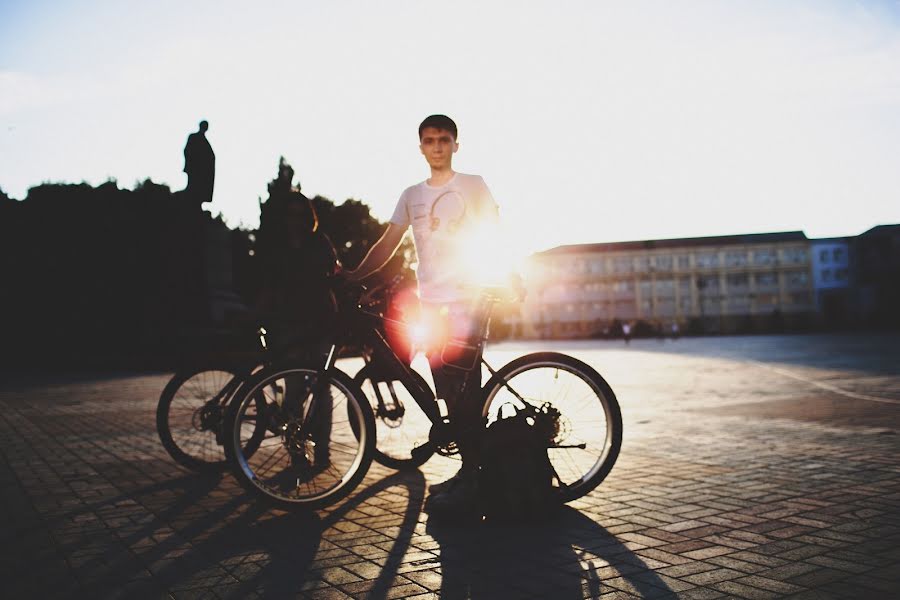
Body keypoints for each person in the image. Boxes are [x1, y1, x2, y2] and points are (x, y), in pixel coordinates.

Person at [346, 114, 501, 517]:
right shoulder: (411, 194)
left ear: (455, 145)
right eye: (429, 140)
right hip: (430, 303)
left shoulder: (473, 185)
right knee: (447, 392)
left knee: (467, 391)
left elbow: (495, 232)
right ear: (420, 147)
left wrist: (504, 273)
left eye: (444, 139)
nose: (437, 146)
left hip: (466, 299)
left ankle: (476, 477)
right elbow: (388, 243)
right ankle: (472, 472)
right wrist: (354, 274)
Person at [183, 120, 216, 206]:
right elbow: (187, 150)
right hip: (194, 168)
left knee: (197, 189)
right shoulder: (193, 137)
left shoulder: (204, 141)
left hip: (202, 171)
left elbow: (210, 156)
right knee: (192, 187)